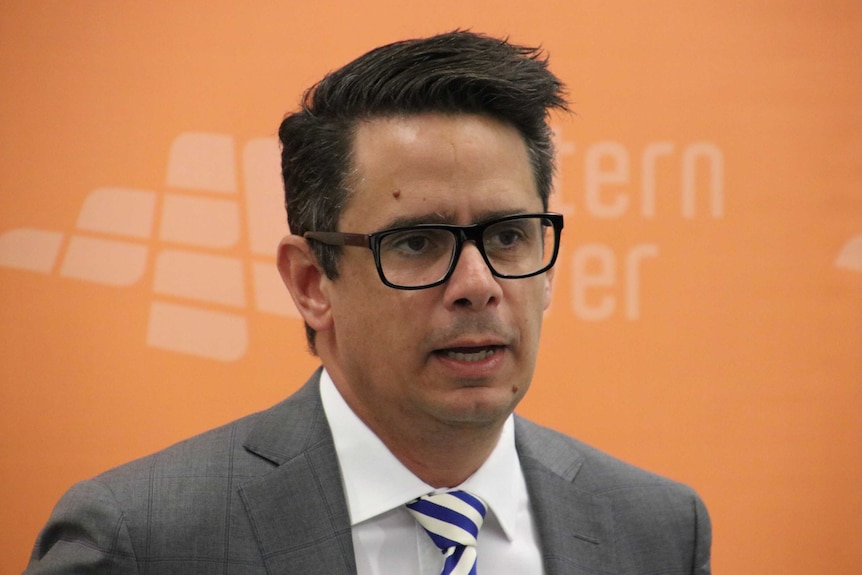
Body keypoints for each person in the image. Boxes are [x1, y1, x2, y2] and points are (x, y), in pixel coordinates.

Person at [25, 31, 711, 574]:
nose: (478, 283)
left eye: (508, 236)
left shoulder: (656, 529)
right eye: (417, 243)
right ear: (311, 283)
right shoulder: (144, 541)